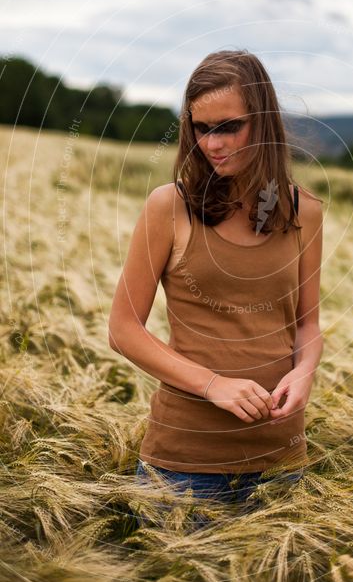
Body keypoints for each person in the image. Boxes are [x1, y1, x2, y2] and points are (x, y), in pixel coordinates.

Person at [108, 49, 324, 530]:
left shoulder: (305, 212)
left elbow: (307, 325)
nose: (212, 143)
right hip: (186, 464)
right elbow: (123, 330)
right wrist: (214, 385)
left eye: (228, 126)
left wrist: (305, 371)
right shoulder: (169, 207)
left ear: (264, 122)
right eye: (200, 128)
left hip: (281, 460)